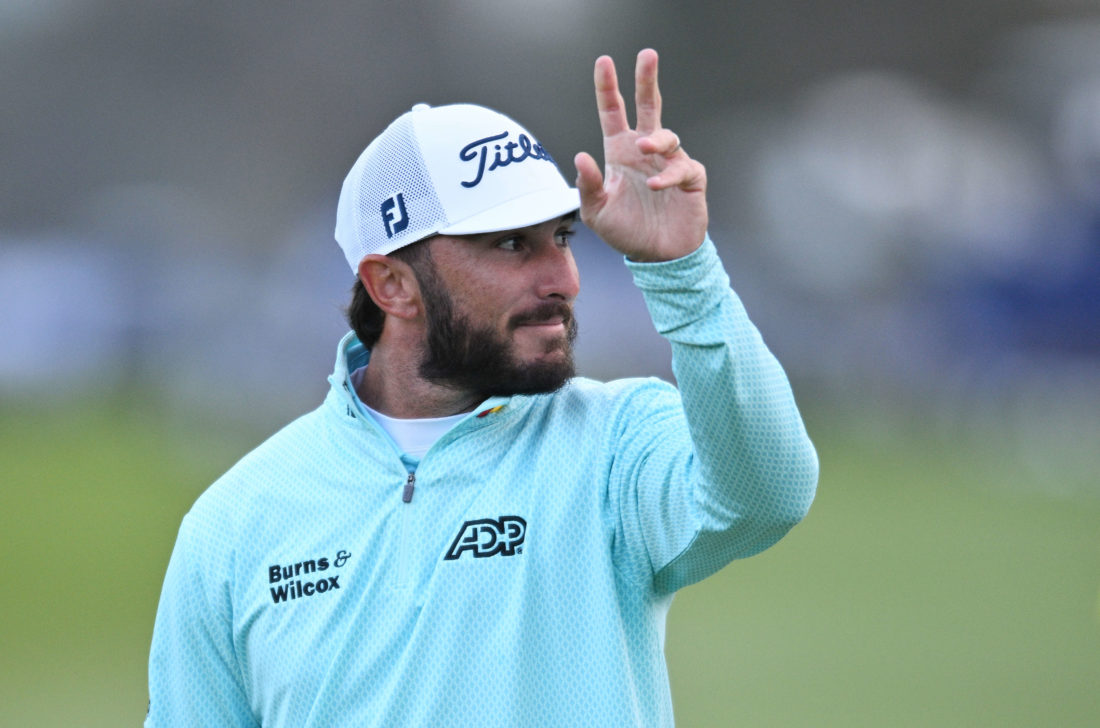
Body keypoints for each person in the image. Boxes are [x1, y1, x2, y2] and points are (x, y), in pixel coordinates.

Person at [145, 49, 819, 727]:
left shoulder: (615, 445)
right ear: (392, 285)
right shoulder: (234, 524)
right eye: (510, 245)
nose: (565, 279)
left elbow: (767, 493)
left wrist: (683, 273)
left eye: (561, 237)